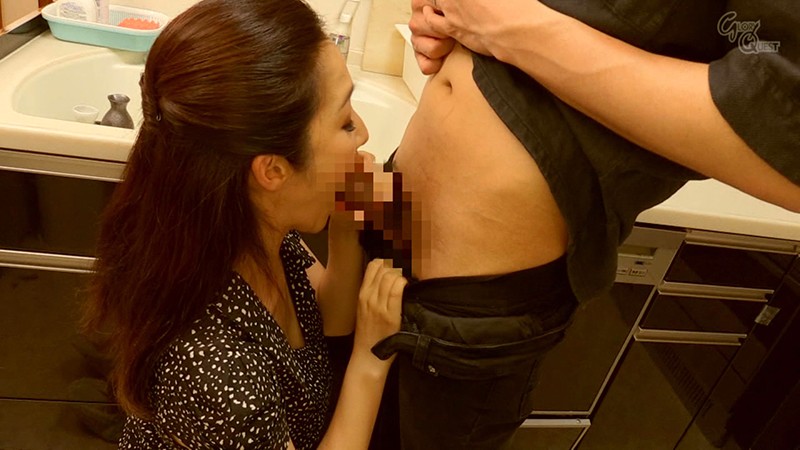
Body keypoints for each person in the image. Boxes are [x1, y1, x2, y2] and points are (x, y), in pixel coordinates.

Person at [358, 0, 800, 449]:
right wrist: (446, 15)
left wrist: (504, 28)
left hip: (470, 303)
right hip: (388, 217)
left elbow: (786, 141)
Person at [82, 0, 407, 448]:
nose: (364, 133)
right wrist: (371, 359)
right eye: (345, 122)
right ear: (272, 170)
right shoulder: (219, 378)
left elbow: (323, 316)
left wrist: (347, 225)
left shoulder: (243, 225)